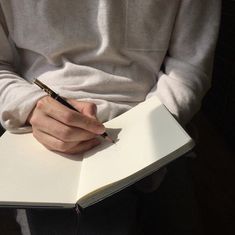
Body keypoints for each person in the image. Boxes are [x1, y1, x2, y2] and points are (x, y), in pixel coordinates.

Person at [0, 0, 221, 234]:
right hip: (37, 127)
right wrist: (30, 106)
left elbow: (189, 67)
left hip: (154, 115)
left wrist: (156, 127)